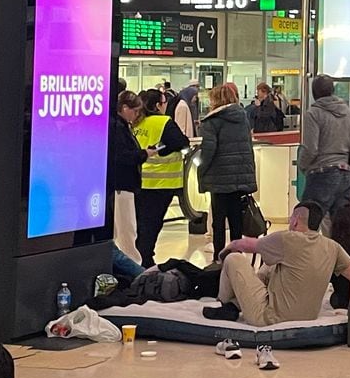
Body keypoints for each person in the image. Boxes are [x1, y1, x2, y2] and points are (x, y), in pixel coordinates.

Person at [217, 197, 350, 327]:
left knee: (233, 259)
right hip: (309, 316)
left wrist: (227, 249)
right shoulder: (332, 246)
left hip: (268, 318)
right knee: (270, 267)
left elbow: (245, 245)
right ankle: (234, 305)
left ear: (295, 220)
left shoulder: (287, 238)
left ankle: (224, 305)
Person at [197, 81, 259, 254]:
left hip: (219, 179)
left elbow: (208, 151)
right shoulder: (242, 118)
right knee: (236, 220)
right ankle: (236, 255)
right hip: (240, 178)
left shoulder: (211, 122)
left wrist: (201, 172)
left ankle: (219, 257)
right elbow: (248, 147)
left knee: (218, 221)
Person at [131, 88, 188, 264]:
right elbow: (181, 142)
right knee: (152, 224)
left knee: (140, 224)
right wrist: (161, 149)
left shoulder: (135, 123)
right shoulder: (163, 122)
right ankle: (145, 259)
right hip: (161, 183)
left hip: (138, 181)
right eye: (164, 103)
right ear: (157, 105)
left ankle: (140, 256)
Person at [294, 74, 350, 216]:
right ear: (332, 90)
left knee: (307, 223)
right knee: (343, 227)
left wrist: (302, 165)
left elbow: (310, 149)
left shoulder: (313, 114)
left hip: (321, 175)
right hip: (346, 175)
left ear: (314, 93)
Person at [108, 90, 145, 268]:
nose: (137, 115)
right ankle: (133, 269)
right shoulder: (118, 128)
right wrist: (143, 154)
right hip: (121, 185)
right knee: (126, 230)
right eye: (135, 110)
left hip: (121, 185)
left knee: (123, 230)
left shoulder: (120, 126)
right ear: (124, 108)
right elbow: (123, 156)